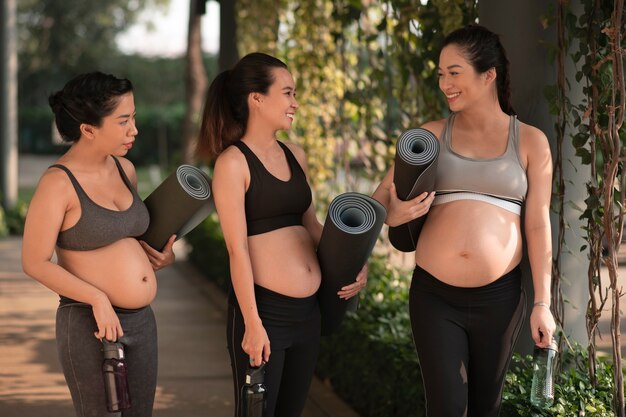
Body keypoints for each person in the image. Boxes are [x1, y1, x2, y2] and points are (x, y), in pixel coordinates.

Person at [372, 25, 556, 416]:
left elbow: (538, 225)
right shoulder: (429, 137)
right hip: (434, 296)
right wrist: (394, 212)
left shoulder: (530, 142)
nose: (444, 84)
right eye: (440, 74)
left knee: (485, 408)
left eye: (454, 73)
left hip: (500, 299)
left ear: (488, 75)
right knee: (446, 406)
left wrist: (543, 302)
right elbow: (379, 199)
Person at [196, 52, 367, 417]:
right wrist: (253, 323)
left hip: (308, 315)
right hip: (264, 313)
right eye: (287, 93)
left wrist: (356, 260)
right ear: (256, 98)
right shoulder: (233, 163)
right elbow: (237, 251)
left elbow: (311, 225)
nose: (295, 103)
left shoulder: (295, 154)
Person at [21, 72, 176, 417]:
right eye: (122, 121)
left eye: (133, 117)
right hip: (89, 322)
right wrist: (97, 297)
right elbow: (34, 262)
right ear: (88, 129)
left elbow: (129, 239)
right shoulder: (57, 184)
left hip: (141, 322)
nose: (133, 129)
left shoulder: (126, 170)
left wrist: (161, 256)